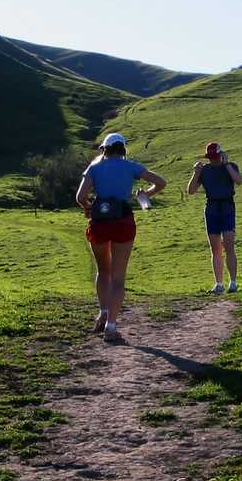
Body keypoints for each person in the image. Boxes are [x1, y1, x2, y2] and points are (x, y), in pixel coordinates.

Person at [76, 132, 166, 341]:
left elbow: (80, 197)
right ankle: (111, 326)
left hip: (99, 222)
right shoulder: (131, 166)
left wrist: (89, 208)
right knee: (118, 277)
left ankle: (103, 312)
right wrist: (144, 196)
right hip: (123, 221)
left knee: (103, 270)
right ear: (123, 149)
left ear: (104, 149)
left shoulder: (94, 168)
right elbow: (161, 182)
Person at [187, 142, 242, 294]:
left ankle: (233, 282)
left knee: (229, 244)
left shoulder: (231, 166)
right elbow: (191, 191)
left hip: (227, 206)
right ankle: (219, 284)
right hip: (211, 208)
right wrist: (196, 173)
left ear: (221, 155)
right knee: (215, 247)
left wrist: (227, 165)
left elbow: (239, 181)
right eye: (210, 158)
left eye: (215, 157)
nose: (213, 160)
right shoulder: (204, 170)